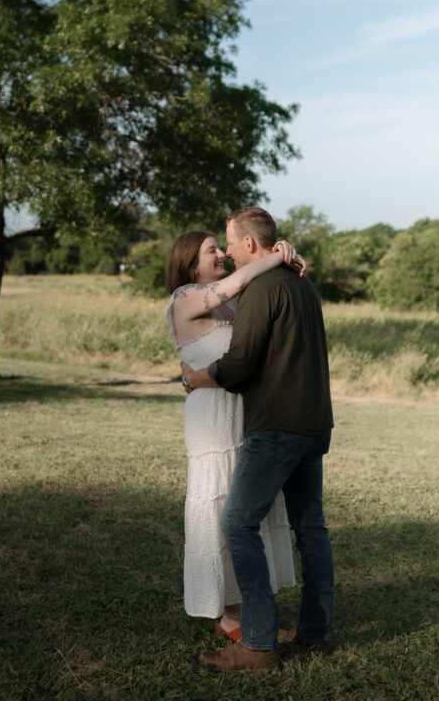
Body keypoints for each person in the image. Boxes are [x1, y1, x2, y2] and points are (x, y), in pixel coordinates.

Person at [180, 206, 334, 673]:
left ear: (250, 244)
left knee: (237, 525)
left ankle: (260, 644)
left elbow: (239, 365)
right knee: (311, 529)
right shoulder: (302, 282)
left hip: (276, 427)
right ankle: (316, 630)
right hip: (314, 425)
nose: (226, 250)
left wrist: (197, 378)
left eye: (229, 242)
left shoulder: (261, 289)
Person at [166, 229, 305, 641]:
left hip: (244, 414)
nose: (222, 254)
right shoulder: (184, 297)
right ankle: (229, 617)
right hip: (212, 419)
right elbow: (244, 278)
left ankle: (250, 611)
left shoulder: (230, 305)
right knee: (220, 508)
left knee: (246, 511)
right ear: (191, 262)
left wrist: (291, 263)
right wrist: (278, 255)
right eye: (213, 250)